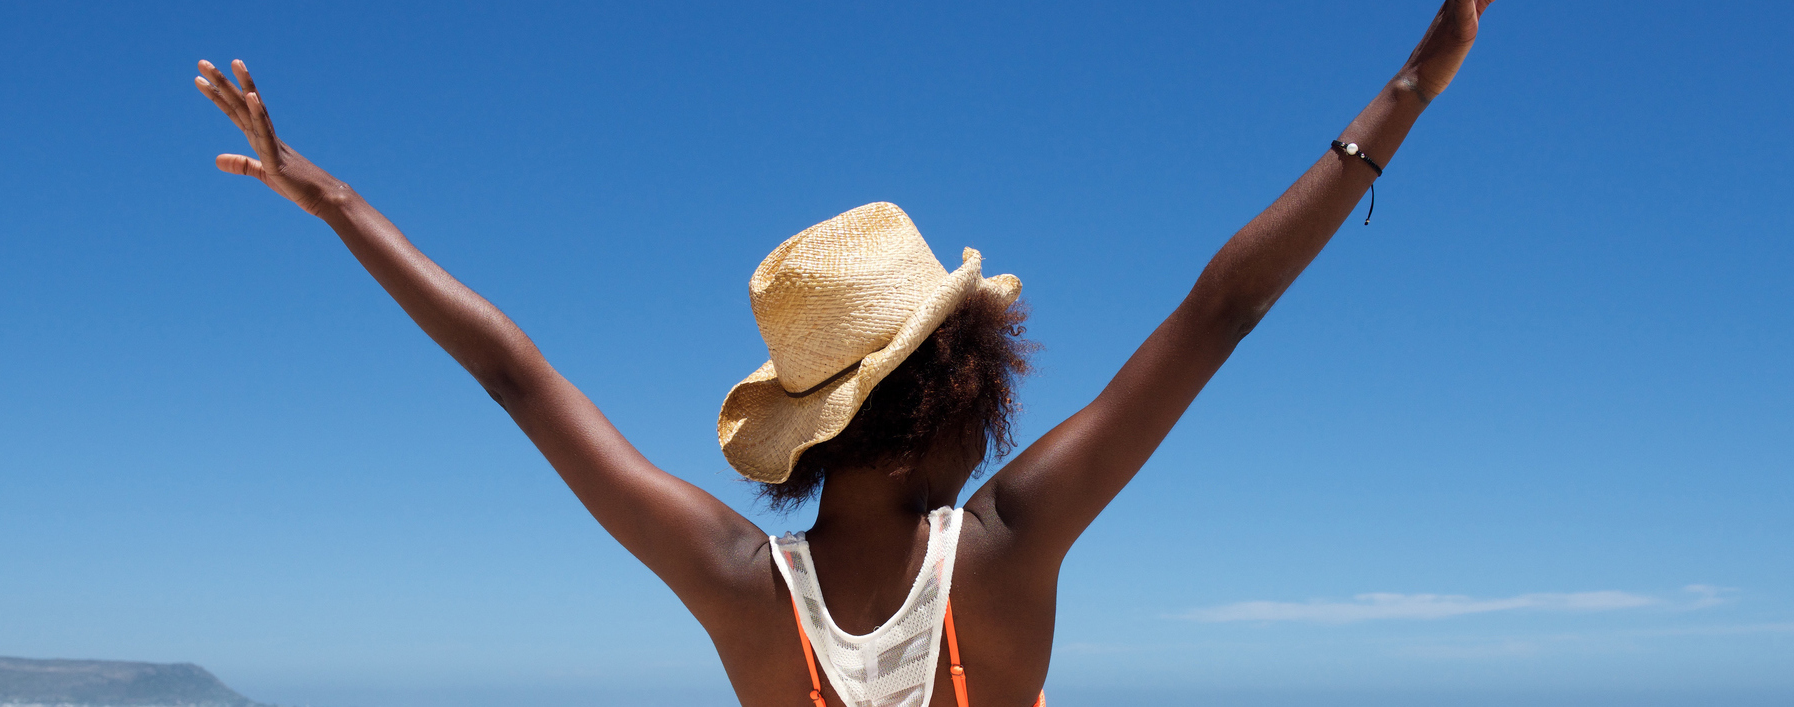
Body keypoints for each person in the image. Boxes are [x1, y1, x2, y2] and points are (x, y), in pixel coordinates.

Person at [193, 1, 1494, 704]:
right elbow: (1218, 316)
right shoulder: (1009, 545)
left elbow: (515, 376)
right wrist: (1410, 89)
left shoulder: (736, 584)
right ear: (955, 389)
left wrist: (339, 204)